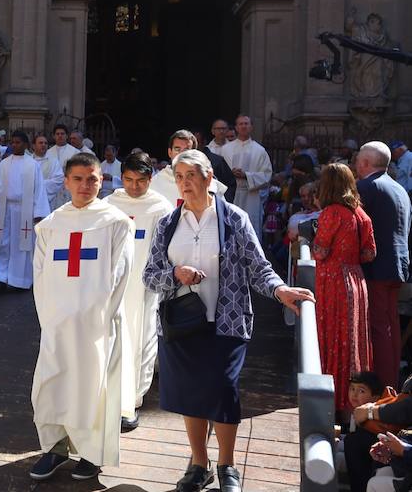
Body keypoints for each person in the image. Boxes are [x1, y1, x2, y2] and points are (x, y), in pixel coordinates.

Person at [143, 149, 312, 492]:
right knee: (191, 393)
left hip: (227, 322)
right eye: (179, 177)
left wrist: (280, 290)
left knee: (222, 390)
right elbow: (149, 276)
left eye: (192, 175)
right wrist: (176, 273)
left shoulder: (234, 218)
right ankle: (198, 464)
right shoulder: (167, 224)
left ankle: (227, 465)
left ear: (209, 179)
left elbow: (257, 266)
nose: (185, 183)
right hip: (180, 324)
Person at [29, 152, 134, 481]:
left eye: (92, 179)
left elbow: (120, 274)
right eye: (78, 179)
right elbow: (41, 276)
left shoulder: (116, 223)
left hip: (97, 324)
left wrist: (98, 316)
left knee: (93, 388)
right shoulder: (50, 225)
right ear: (66, 181)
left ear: (102, 181)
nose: (85, 185)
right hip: (57, 322)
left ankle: (92, 455)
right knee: (52, 384)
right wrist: (50, 318)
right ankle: (55, 448)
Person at [105, 152, 173, 431]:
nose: (135, 187)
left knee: (142, 339)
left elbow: (168, 249)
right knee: (113, 340)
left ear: (150, 179)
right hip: (113, 285)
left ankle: (132, 400)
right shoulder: (109, 204)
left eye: (142, 181)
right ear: (122, 178)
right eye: (129, 180)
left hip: (144, 285)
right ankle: (108, 397)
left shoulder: (161, 207)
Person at [312, 164, 376, 416]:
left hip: (334, 282)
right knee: (354, 341)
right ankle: (353, 404)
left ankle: (335, 399)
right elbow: (369, 254)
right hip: (356, 281)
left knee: (334, 338)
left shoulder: (331, 213)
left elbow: (320, 251)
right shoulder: (360, 214)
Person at [356, 141, 411, 388]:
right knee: (391, 325)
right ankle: (392, 383)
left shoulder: (366, 187)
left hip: (377, 267)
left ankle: (384, 386)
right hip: (398, 266)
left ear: (365, 162)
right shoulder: (400, 188)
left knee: (380, 327)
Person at [0, 131, 49, 291]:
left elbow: (39, 189)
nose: (15, 145)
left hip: (24, 210)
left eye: (18, 142)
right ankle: (1, 276)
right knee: (2, 243)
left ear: (25, 145)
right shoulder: (4, 164)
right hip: (5, 208)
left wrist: (39, 213)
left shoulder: (32, 165)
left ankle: (19, 279)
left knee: (21, 245)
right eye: (13, 142)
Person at [220, 115, 273, 237]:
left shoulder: (260, 151)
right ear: (236, 128)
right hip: (230, 194)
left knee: (250, 229)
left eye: (246, 123)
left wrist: (246, 175)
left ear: (251, 127)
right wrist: (230, 174)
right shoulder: (226, 149)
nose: (243, 126)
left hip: (251, 196)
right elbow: (218, 172)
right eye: (241, 124)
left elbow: (267, 175)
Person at [150, 130, 228, 206]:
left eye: (186, 150)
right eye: (177, 149)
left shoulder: (207, 181)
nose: (181, 154)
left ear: (194, 153)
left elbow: (222, 212)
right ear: (170, 152)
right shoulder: (156, 182)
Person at [193, 129, 237, 203]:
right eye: (192, 144)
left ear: (204, 142)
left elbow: (230, 185)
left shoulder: (217, 161)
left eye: (197, 142)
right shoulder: (184, 162)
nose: (194, 146)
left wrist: (222, 204)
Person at [46, 125, 80, 210]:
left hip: (68, 188)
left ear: (67, 136)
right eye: (57, 134)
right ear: (54, 136)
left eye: (62, 134)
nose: (60, 136)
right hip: (53, 190)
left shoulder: (75, 152)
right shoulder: (48, 153)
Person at [33, 134, 64, 208]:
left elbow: (59, 180)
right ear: (33, 146)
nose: (43, 145)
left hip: (47, 202)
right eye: (40, 143)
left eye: (45, 143)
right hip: (31, 201)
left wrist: (38, 185)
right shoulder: (28, 161)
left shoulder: (53, 161)